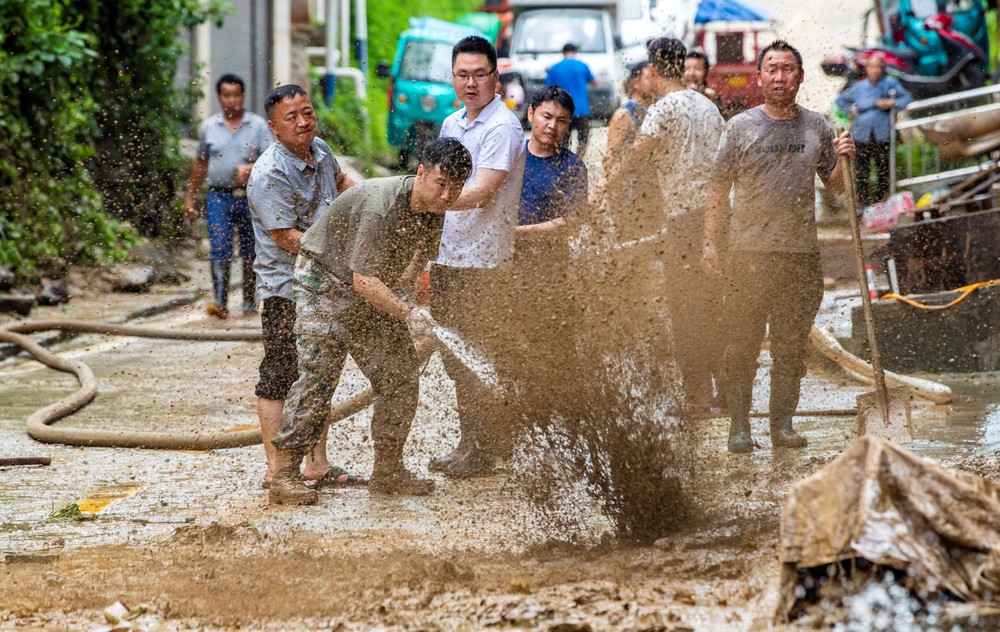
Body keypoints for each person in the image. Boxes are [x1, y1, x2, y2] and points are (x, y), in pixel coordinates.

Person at [266, 138, 474, 505]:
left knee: (400, 373)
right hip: (326, 281)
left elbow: (412, 268)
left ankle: (388, 470)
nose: (447, 196)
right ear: (422, 173)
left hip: (372, 284)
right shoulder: (382, 204)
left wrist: (412, 304)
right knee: (319, 374)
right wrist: (408, 313)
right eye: (442, 185)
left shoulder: (436, 210)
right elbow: (362, 280)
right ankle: (284, 474)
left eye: (456, 189)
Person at [703, 40, 856, 453]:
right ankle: (739, 426)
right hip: (747, 256)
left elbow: (837, 187)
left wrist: (845, 158)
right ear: (759, 77)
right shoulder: (741, 127)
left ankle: (782, 427)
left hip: (800, 256)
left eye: (788, 69)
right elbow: (717, 189)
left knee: (790, 347)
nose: (780, 77)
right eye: (772, 69)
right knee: (742, 345)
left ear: (801, 77)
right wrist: (710, 245)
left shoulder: (818, 127)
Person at [247, 84, 358, 489]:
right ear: (274, 128)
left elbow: (345, 183)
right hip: (285, 288)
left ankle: (316, 465)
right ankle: (277, 469)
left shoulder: (323, 151)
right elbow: (284, 236)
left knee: (318, 371)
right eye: (290, 118)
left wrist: (372, 198)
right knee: (280, 373)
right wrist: (339, 252)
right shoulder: (269, 173)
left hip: (326, 281)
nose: (302, 122)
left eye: (307, 112)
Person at [427, 35, 526, 479]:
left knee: (481, 358)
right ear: (453, 78)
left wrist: (429, 201)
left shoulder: (502, 127)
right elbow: (440, 184)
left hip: (485, 264)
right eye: (462, 75)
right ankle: (473, 443)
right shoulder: (451, 125)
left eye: (479, 74)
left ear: (495, 77)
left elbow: (482, 191)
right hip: (449, 258)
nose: (471, 83)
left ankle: (486, 448)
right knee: (455, 361)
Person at [627, 37, 725, 413]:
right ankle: (725, 393)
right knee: (715, 307)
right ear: (682, 67)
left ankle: (697, 397)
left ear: (651, 72)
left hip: (686, 222)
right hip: (719, 216)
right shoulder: (708, 106)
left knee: (686, 312)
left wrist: (602, 189)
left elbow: (634, 159)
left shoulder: (662, 109)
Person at [509, 85, 589, 421]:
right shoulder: (509, 159)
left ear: (568, 126)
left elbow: (573, 222)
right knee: (509, 346)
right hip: (503, 269)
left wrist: (519, 234)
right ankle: (517, 420)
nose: (552, 126)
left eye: (561, 120)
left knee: (555, 347)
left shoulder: (572, 167)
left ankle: (563, 418)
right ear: (530, 115)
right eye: (546, 116)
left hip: (550, 271)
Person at [184, 74, 273, 319]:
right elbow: (200, 163)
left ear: (243, 96)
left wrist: (251, 167)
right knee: (219, 246)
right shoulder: (209, 127)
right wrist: (190, 197)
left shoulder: (258, 126)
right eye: (226, 95)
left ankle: (249, 302)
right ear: (219, 97)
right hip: (218, 197)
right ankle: (221, 303)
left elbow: (273, 161)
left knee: (251, 249)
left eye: (236, 95)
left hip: (251, 197)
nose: (231, 100)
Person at [836, 55, 912, 206]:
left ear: (882, 69)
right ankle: (863, 203)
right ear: (867, 69)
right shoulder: (859, 86)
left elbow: (907, 98)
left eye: (878, 67)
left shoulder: (890, 83)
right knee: (861, 169)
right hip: (861, 133)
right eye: (871, 67)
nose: (875, 70)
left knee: (883, 167)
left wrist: (890, 102)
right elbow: (841, 100)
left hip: (882, 132)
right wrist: (849, 111)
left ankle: (880, 201)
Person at [603, 61, 654, 182]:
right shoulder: (624, 114)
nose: (654, 83)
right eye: (648, 78)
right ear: (635, 83)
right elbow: (611, 157)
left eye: (655, 78)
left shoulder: (656, 109)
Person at [545, 43, 597, 158]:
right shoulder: (583, 66)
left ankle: (564, 161)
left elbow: (547, 87)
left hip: (562, 110)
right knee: (583, 138)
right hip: (582, 109)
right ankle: (579, 159)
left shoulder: (555, 68)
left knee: (563, 139)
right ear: (575, 52)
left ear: (563, 52)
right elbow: (594, 83)